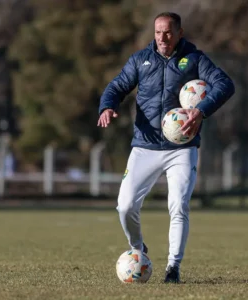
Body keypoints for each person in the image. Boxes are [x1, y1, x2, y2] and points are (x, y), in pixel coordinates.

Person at [97, 12, 235, 283]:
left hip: (181, 147)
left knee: (178, 205)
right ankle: (138, 249)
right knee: (124, 207)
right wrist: (107, 106)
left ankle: (173, 268)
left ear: (180, 33)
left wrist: (201, 111)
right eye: (158, 32)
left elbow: (225, 84)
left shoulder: (195, 60)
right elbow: (117, 86)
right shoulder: (140, 59)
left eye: (168, 32)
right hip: (144, 146)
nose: (162, 37)